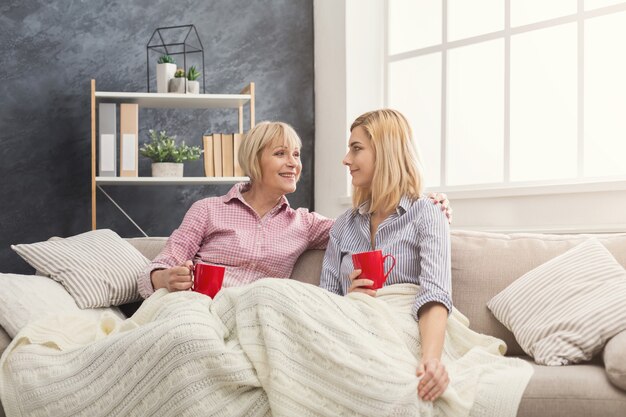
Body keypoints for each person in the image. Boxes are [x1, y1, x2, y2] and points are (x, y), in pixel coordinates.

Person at [137, 120, 451, 299]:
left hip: (255, 318)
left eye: (297, 154)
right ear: (255, 161)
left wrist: (424, 203)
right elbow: (153, 271)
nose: (294, 163)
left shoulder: (304, 224)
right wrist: (165, 278)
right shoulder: (208, 210)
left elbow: (369, 227)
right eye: (281, 153)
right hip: (198, 308)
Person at [319, 109, 451, 403]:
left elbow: (435, 293)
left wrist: (431, 360)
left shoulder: (427, 213)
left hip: (403, 329)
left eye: (356, 149)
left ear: (385, 152)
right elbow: (323, 303)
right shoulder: (343, 225)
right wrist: (350, 296)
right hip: (352, 330)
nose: (345, 159)